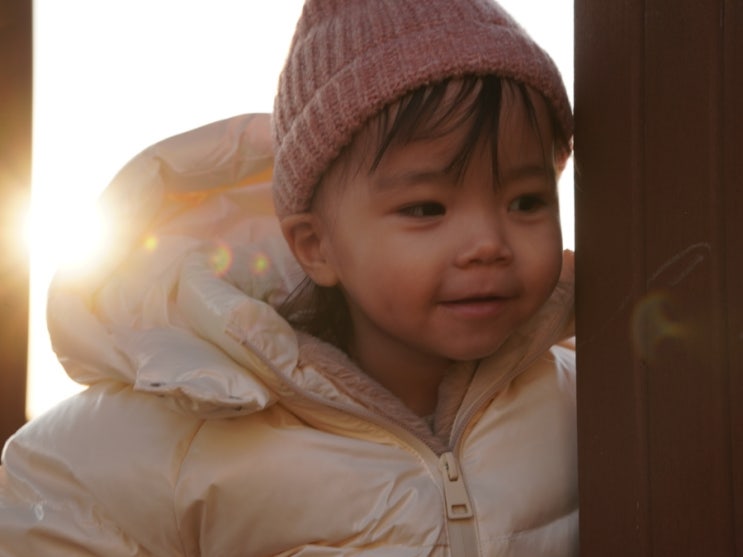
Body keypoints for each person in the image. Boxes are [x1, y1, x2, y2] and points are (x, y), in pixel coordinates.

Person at [0, 0, 577, 555]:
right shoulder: (205, 419)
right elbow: (45, 494)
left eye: (526, 201)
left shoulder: (580, 393)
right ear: (316, 246)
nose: (488, 244)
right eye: (426, 209)